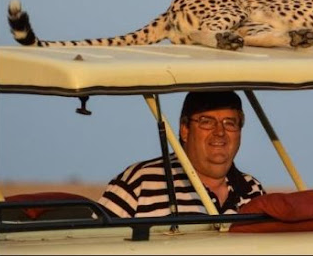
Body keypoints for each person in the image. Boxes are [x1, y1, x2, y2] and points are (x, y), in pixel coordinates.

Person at [98, 91, 265, 217]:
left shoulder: (253, 190)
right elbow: (95, 242)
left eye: (230, 123)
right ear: (185, 129)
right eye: (206, 122)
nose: (220, 132)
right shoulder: (140, 182)